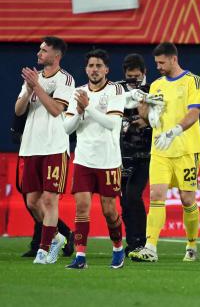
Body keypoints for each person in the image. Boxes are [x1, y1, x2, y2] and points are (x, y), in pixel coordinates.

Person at [128, 42, 200, 262]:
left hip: (186, 150)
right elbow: (149, 120)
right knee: (156, 195)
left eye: (162, 62)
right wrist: (141, 106)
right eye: (156, 63)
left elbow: (194, 113)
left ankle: (191, 245)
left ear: (174, 59)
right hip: (160, 149)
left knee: (187, 199)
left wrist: (174, 131)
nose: (159, 66)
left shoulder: (193, 81)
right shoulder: (156, 85)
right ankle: (150, 248)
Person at [62, 49, 125, 269]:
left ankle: (118, 248)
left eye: (99, 66)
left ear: (106, 69)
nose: (95, 69)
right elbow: (67, 127)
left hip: (108, 159)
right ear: (86, 69)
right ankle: (80, 257)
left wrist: (87, 107)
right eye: (91, 66)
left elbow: (112, 124)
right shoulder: (78, 92)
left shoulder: (116, 89)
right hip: (84, 160)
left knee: (109, 210)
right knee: (81, 207)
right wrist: (79, 111)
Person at [15, 36, 75, 265]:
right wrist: (29, 89)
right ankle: (58, 237)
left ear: (56, 55)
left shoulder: (65, 79)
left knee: (50, 199)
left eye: (44, 50)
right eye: (39, 50)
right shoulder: (34, 78)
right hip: (31, 146)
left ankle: (43, 250)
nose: (39, 53)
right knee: (32, 202)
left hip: (54, 146)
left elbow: (55, 109)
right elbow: (19, 110)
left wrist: (37, 87)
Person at [116, 53, 152, 255]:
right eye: (130, 77)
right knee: (124, 199)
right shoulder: (115, 89)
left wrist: (146, 122)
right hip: (121, 154)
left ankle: (140, 240)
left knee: (132, 195)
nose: (134, 81)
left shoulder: (154, 89)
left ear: (144, 73)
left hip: (145, 154)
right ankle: (132, 241)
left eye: (137, 76)